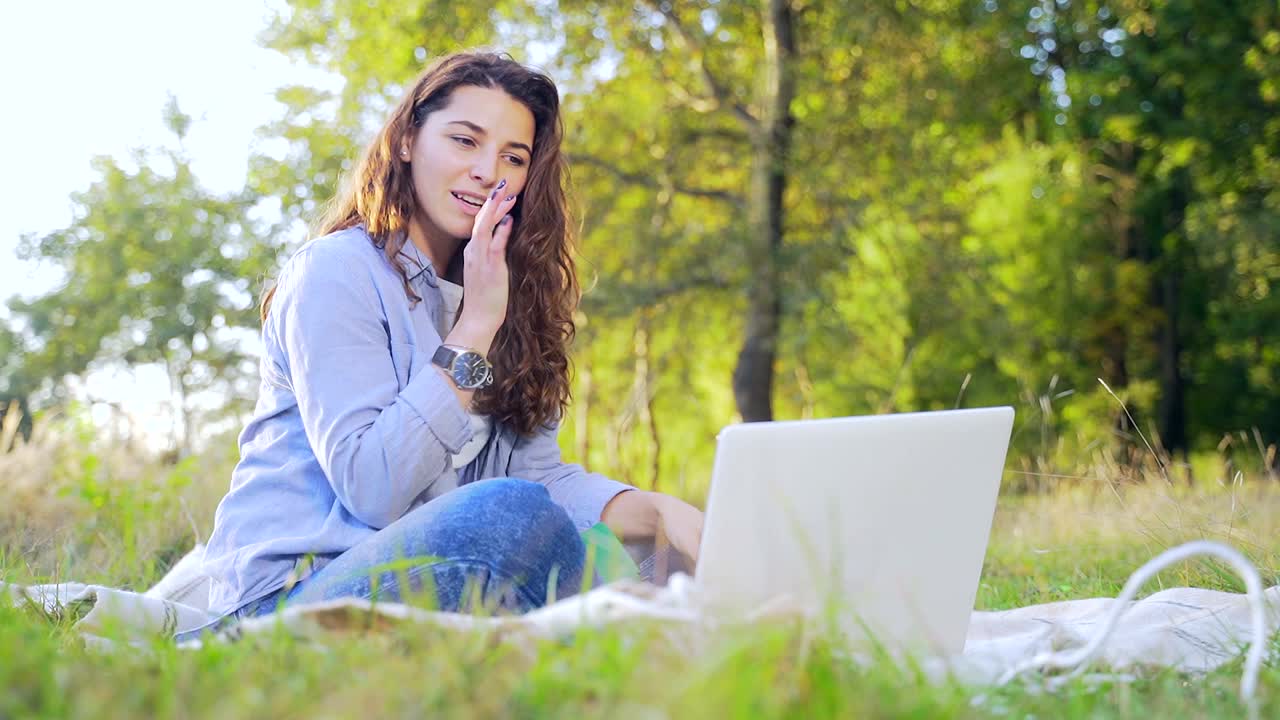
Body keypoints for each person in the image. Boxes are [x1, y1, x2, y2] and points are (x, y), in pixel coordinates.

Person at [195, 51, 704, 628]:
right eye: (465, 141)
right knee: (512, 515)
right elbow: (373, 487)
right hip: (292, 595)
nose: (489, 171)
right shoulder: (336, 272)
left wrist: (658, 513)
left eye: (513, 157)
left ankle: (643, 630)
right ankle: (613, 633)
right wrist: (476, 329)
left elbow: (540, 478)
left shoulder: (508, 297)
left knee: (665, 557)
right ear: (408, 140)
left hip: (444, 571)